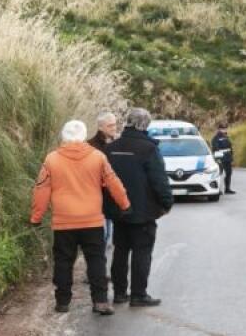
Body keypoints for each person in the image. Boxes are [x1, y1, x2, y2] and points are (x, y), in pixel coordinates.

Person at [31, 119, 131, 315]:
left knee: (63, 262)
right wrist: (125, 204)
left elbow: (41, 189)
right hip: (91, 220)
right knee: (96, 261)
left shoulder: (52, 159)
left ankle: (62, 302)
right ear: (84, 135)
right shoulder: (97, 157)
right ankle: (100, 301)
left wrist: (36, 217)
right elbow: (113, 182)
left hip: (63, 222)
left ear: (63, 136)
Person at [105, 107, 173, 306]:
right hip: (143, 211)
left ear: (128, 122)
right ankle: (138, 294)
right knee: (142, 252)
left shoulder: (111, 148)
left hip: (118, 210)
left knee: (120, 251)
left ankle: (119, 293)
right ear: (145, 125)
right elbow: (159, 180)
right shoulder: (149, 149)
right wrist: (167, 202)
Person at [89, 113, 119, 246]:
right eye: (110, 125)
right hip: (97, 193)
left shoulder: (118, 143)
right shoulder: (91, 145)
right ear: (101, 127)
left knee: (109, 232)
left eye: (115, 124)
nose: (114, 128)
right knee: (104, 234)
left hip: (112, 193)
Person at [211, 122, 236, 193]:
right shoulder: (216, 138)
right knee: (219, 174)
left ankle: (227, 189)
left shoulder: (226, 137)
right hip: (221, 157)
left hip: (228, 157)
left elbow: (230, 148)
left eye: (225, 128)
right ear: (219, 129)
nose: (224, 130)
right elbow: (215, 148)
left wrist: (232, 158)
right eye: (222, 128)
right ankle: (218, 190)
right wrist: (218, 158)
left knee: (229, 173)